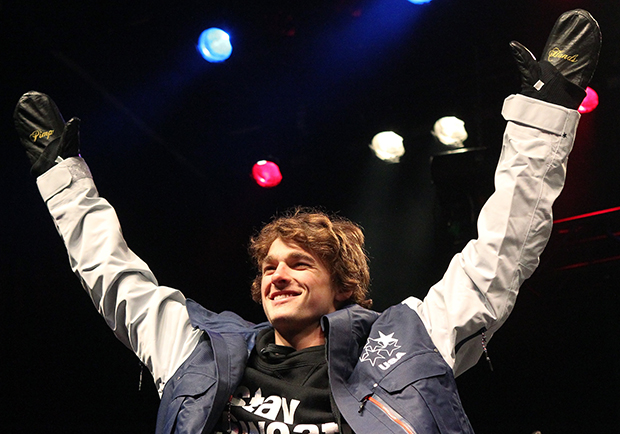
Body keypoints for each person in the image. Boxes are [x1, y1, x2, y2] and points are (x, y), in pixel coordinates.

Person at [13, 9, 601, 434]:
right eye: (269, 265)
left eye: (299, 262)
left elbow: (500, 253)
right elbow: (114, 277)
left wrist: (544, 113)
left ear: (344, 286)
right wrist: (62, 180)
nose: (277, 274)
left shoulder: (408, 340)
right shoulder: (197, 350)